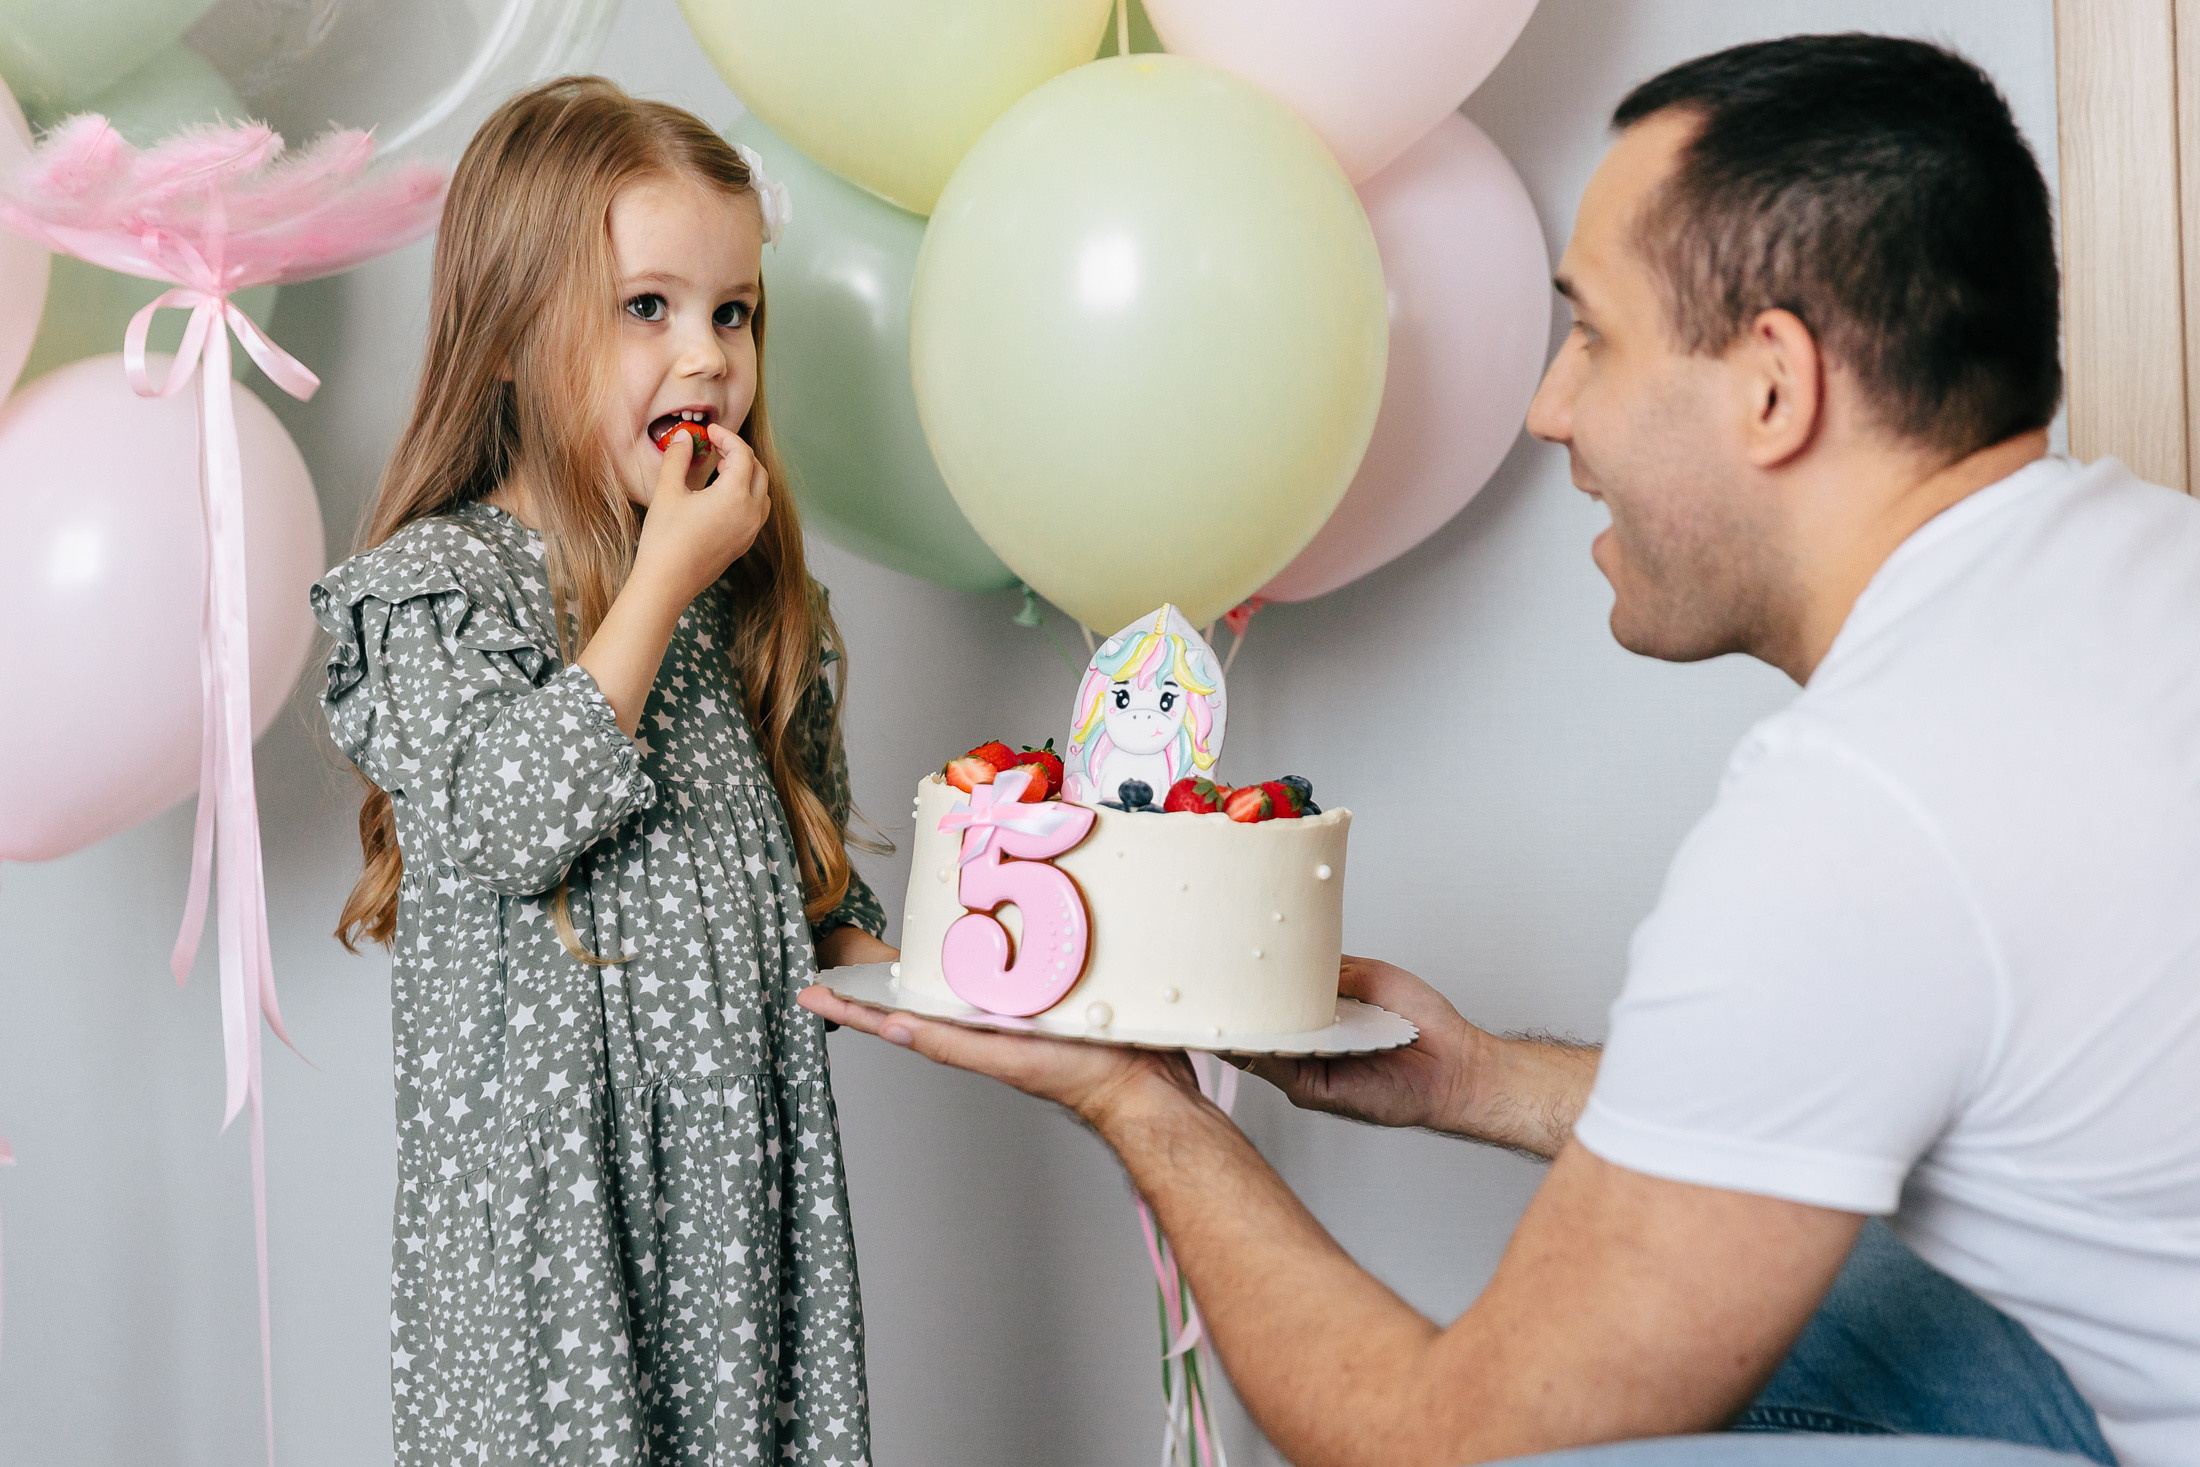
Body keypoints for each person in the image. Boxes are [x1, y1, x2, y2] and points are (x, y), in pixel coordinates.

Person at [804, 34, 2200, 1467]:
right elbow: (1812, 1078)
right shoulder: (2141, 569)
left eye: (1592, 332)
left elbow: (1442, 1442)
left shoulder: (1864, 811)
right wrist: (1475, 1079)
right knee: (1835, 1296)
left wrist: (1140, 1105)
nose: (1550, 407)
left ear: (1773, 387)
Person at [314, 77, 897, 1466]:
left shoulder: (758, 617)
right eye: (649, 308)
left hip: (736, 1232)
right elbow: (515, 820)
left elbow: (812, 918)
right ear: (514, 332)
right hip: (552, 1250)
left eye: (733, 312)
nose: (706, 357)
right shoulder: (434, 596)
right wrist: (656, 586)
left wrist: (1010, 983)